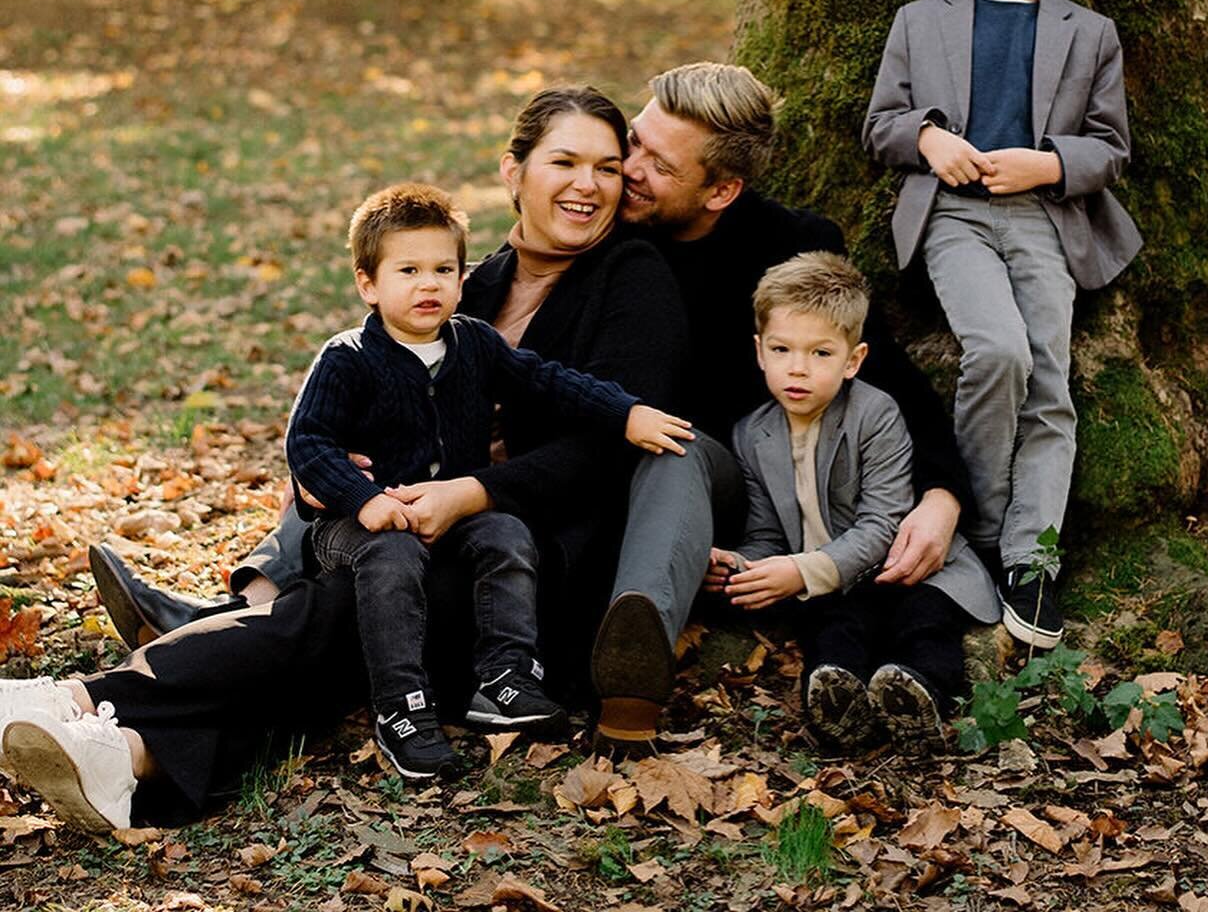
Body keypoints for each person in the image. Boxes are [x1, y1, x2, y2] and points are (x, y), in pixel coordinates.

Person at [11, 88, 689, 829]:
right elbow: (356, 406)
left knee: (330, 617)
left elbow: (604, 445)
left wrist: (472, 494)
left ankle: (82, 696)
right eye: (564, 161)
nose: (587, 185)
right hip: (412, 531)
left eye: (608, 167)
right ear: (513, 171)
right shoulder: (471, 277)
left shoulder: (632, 277)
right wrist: (334, 476)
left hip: (525, 568)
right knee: (340, 654)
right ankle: (132, 758)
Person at [591, 63, 1001, 741]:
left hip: (728, 478)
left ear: (721, 189)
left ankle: (633, 687)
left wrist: (942, 496)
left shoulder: (787, 246)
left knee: (679, 451)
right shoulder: (604, 230)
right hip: (609, 471)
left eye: (655, 163)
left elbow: (889, 377)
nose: (625, 168)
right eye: (632, 141)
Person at [286, 182, 691, 778]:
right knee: (392, 558)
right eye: (409, 270)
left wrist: (625, 412)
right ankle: (402, 707)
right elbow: (307, 443)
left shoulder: (473, 341)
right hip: (358, 525)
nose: (429, 284)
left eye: (444, 269)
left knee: (506, 534)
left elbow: (550, 381)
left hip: (452, 512)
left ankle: (504, 677)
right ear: (368, 283)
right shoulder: (346, 358)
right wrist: (363, 500)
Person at [863, 0, 1142, 650]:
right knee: (998, 352)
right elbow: (880, 123)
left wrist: (1049, 162)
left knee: (1050, 380)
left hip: (1046, 217)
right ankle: (979, 529)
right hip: (954, 215)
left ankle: (1033, 558)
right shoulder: (921, 22)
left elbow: (1110, 145)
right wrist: (928, 139)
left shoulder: (1088, 33)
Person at [709, 254, 983, 748]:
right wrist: (742, 563)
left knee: (923, 621)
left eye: (820, 354)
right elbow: (767, 531)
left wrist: (802, 570)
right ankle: (839, 705)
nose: (798, 368)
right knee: (831, 627)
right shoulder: (751, 433)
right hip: (834, 585)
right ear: (759, 352)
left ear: (853, 360)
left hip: (906, 568)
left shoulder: (874, 413)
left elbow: (883, 523)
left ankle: (918, 694)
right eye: (782, 349)